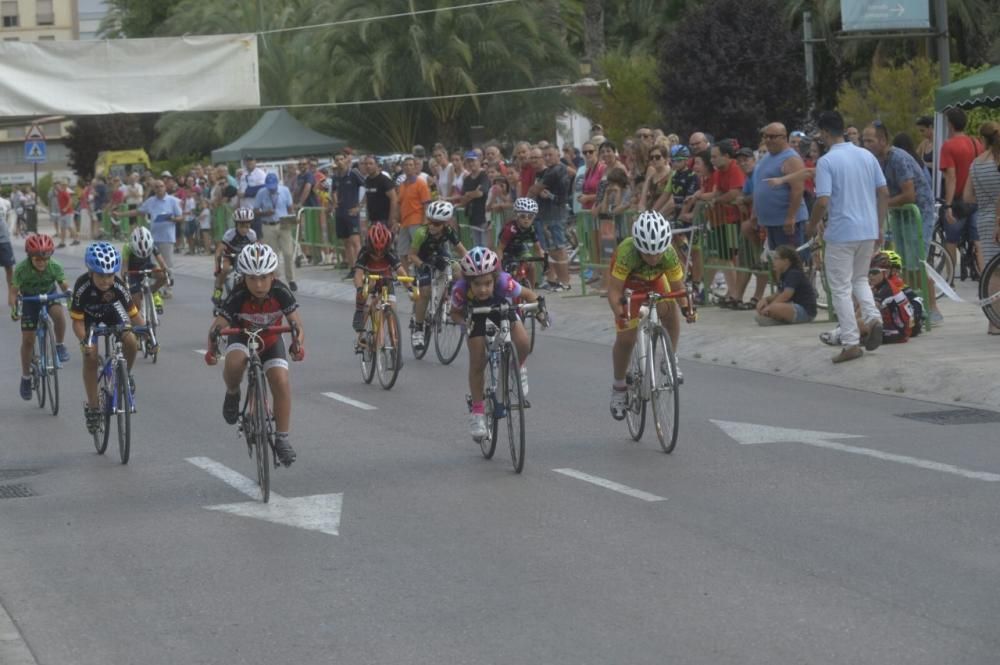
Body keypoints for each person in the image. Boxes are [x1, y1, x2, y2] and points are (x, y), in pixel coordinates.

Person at [205, 243, 304, 468]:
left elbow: (297, 324)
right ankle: (232, 392)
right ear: (243, 278)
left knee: (281, 380)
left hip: (271, 340)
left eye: (263, 278)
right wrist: (212, 349)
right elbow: (218, 326)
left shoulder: (281, 291)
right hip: (242, 337)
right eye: (252, 279)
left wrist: (298, 344)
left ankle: (282, 438)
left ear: (273, 275)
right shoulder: (238, 293)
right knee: (235, 363)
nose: (258, 285)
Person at [807, 110, 888, 363]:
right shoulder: (866, 155)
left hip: (842, 231)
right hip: (867, 229)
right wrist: (879, 225)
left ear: (824, 133)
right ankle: (874, 318)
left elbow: (822, 200)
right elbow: (883, 192)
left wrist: (812, 225)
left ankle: (851, 341)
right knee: (860, 279)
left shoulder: (827, 162)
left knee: (840, 287)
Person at [450, 246, 547, 439]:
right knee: (477, 360)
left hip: (502, 308)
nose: (483, 289)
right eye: (477, 284)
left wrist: (540, 311)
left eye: (487, 283)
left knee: (523, 342)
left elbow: (530, 295)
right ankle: (478, 413)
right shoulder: (460, 290)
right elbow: (454, 313)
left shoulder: (504, 282)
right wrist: (463, 322)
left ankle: (517, 367)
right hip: (474, 315)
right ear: (469, 282)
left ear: (495, 278)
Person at [607, 211, 696, 419]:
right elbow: (613, 291)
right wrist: (621, 314)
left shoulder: (669, 253)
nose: (654, 258)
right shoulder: (626, 252)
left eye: (658, 253)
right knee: (626, 339)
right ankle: (619, 388)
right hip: (629, 286)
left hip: (655, 281)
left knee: (671, 309)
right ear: (638, 246)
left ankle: (669, 359)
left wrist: (686, 308)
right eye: (648, 254)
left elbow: (677, 287)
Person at [71, 242, 146, 434]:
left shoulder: (118, 286)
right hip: (89, 319)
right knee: (91, 357)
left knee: (130, 340)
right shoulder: (82, 287)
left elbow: (134, 316)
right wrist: (83, 341)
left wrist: (148, 333)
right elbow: (77, 323)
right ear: (91, 272)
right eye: (101, 275)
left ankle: (125, 375)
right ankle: (94, 408)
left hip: (112, 312)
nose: (106, 280)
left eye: (110, 275)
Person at [12, 234, 70, 400]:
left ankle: (59, 345)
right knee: (28, 341)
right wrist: (14, 307)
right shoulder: (22, 269)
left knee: (59, 314)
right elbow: (14, 292)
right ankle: (25, 377)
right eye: (37, 259)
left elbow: (63, 283)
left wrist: (68, 292)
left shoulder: (55, 266)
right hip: (29, 299)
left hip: (49, 295)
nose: (42, 263)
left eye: (45, 259)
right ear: (30, 257)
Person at [407, 200, 468, 351]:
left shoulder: (448, 231)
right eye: (431, 222)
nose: (433, 226)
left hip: (441, 256)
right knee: (426, 292)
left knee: (459, 271)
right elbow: (411, 256)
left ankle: (453, 298)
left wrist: (471, 263)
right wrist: (422, 265)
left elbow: (462, 251)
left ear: (445, 223)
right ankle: (419, 329)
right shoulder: (422, 233)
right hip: (422, 259)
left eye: (438, 224)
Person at [112, 180, 183, 298]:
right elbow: (138, 211)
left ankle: (168, 288)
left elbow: (180, 216)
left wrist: (173, 219)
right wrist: (120, 214)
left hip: (167, 237)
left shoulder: (172, 201)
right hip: (152, 238)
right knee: (152, 265)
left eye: (161, 186)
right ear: (154, 189)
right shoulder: (151, 201)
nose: (159, 188)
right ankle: (155, 288)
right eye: (156, 187)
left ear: (165, 187)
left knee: (167, 263)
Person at [963, 121, 1000, 332]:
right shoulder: (997, 162)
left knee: (993, 271)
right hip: (998, 219)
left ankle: (993, 322)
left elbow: (968, 196)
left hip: (985, 220)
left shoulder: (977, 163)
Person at [939, 108, 983, 269]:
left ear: (950, 125)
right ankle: (985, 277)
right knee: (978, 241)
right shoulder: (976, 143)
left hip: (958, 201)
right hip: (976, 199)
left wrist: (948, 205)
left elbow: (951, 177)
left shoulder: (949, 146)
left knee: (951, 240)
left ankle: (950, 280)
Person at [352, 222, 408, 336]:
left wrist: (410, 287)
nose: (378, 255)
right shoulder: (364, 252)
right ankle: (359, 314)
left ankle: (393, 339)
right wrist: (359, 289)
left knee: (392, 308)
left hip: (386, 281)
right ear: (369, 247)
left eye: (382, 252)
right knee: (366, 291)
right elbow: (358, 274)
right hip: (370, 280)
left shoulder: (390, 253)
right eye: (374, 252)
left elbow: (401, 272)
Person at [253, 172, 297, 291]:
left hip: (283, 223)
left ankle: (291, 279)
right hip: (268, 224)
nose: (271, 190)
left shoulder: (285, 191)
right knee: (272, 254)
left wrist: (292, 219)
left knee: (288, 253)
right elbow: (255, 210)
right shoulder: (261, 193)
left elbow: (290, 207)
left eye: (273, 187)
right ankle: (276, 278)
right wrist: (265, 213)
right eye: (269, 187)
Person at [754, 245, 817, 325]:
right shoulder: (784, 274)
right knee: (762, 308)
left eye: (776, 259)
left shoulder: (793, 273)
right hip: (792, 306)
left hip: (805, 311)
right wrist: (766, 300)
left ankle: (777, 318)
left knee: (773, 308)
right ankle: (777, 318)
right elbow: (779, 293)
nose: (773, 261)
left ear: (786, 261)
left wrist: (770, 306)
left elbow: (786, 294)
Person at [212, 207, 258, 304]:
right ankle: (217, 291)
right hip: (229, 256)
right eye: (241, 226)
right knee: (224, 270)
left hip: (244, 258)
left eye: (247, 226)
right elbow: (219, 250)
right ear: (236, 224)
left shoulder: (252, 234)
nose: (244, 229)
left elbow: (256, 250)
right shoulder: (229, 234)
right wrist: (217, 267)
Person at [497, 197, 546, 286]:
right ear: (517, 216)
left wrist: (545, 264)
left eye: (530, 217)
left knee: (531, 265)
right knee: (507, 272)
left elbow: (538, 249)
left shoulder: (531, 229)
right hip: (506, 250)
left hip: (520, 248)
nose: (526, 220)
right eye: (523, 216)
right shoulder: (510, 229)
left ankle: (532, 291)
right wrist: (499, 266)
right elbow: (500, 249)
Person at [121, 226, 169, 316]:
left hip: (147, 267)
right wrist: (125, 280)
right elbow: (124, 268)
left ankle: (152, 291)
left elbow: (162, 263)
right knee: (137, 306)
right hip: (133, 272)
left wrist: (166, 271)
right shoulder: (127, 247)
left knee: (163, 276)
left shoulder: (152, 245)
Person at [395, 156, 432, 269]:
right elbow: (399, 204)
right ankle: (407, 278)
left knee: (418, 251)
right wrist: (396, 220)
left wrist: (425, 223)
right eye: (406, 165)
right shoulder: (401, 185)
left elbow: (426, 204)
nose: (408, 167)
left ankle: (422, 273)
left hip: (417, 221)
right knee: (402, 251)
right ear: (402, 168)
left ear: (415, 167)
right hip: (405, 223)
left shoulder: (421, 183)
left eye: (411, 165)